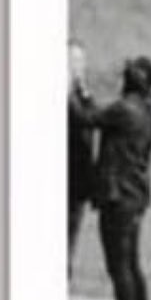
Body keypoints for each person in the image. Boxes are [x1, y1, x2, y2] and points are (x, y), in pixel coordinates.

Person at [88, 55, 151, 300]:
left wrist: (76, 90)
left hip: (118, 194)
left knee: (119, 265)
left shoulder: (126, 109)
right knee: (131, 264)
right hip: (135, 195)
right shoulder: (149, 110)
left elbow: (87, 116)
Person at [67, 39, 97, 273]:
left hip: (79, 177)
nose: (77, 66)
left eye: (80, 61)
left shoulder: (83, 95)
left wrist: (84, 92)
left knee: (71, 233)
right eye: (72, 60)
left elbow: (93, 118)